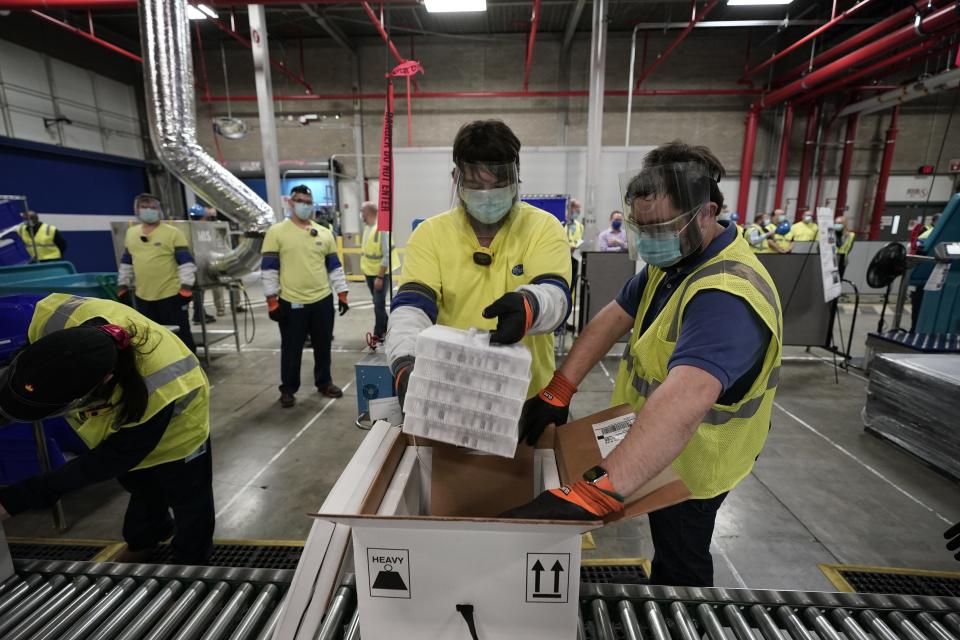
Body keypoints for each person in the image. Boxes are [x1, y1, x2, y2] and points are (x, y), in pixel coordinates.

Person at [502, 142, 783, 588]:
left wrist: (598, 492)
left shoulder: (727, 296)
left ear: (708, 212)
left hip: (695, 463)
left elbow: (684, 400)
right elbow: (612, 318)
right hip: (655, 449)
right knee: (667, 546)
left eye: (664, 226)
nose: (652, 238)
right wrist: (560, 389)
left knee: (681, 557)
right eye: (643, 227)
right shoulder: (676, 260)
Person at [0, 294, 213, 565]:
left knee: (190, 500)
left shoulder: (156, 386)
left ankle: (191, 563)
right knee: (141, 486)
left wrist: (16, 499)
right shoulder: (50, 319)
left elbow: (109, 459)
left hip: (180, 430)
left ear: (98, 387)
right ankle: (145, 540)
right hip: (123, 428)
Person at [386, 119, 571, 403]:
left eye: (497, 186)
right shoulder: (430, 234)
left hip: (529, 396)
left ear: (516, 180)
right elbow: (412, 306)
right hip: (453, 394)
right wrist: (405, 361)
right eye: (474, 185)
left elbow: (556, 294)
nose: (486, 197)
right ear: (456, 179)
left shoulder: (543, 227)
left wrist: (530, 305)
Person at [262, 185, 350, 408]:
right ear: (291, 203)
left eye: (308, 202)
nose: (304, 205)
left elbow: (334, 267)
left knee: (323, 346)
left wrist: (342, 294)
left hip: (322, 300)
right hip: (292, 302)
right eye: (300, 201)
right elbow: (269, 269)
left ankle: (324, 382)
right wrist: (272, 301)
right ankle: (288, 388)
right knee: (291, 349)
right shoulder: (277, 232)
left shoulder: (324, 233)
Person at [117, 194, 197, 354]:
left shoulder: (172, 233)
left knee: (181, 337)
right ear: (137, 210)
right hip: (143, 297)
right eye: (144, 207)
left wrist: (186, 288)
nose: (148, 210)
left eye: (152, 207)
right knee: (151, 339)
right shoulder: (131, 233)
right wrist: (122, 285)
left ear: (159, 210)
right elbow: (127, 262)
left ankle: (191, 369)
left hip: (171, 296)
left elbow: (186, 264)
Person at [360, 201, 399, 344]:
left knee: (378, 304)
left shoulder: (381, 229)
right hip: (370, 273)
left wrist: (379, 276)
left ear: (368, 212)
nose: (361, 214)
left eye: (362, 211)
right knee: (379, 304)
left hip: (379, 274)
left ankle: (378, 334)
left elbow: (387, 254)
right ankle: (388, 328)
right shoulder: (367, 229)